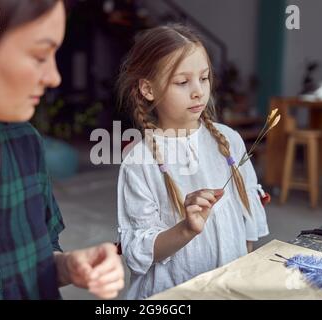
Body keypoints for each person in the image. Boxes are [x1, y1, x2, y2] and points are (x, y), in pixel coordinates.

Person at [0, 0, 123, 299]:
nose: (54, 77)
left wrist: (69, 266)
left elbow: (34, 259)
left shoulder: (24, 143)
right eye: (40, 55)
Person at [116, 24, 269, 299]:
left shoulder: (229, 141)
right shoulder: (139, 162)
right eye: (182, 82)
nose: (198, 91)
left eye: (204, 78)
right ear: (148, 89)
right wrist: (186, 229)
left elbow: (248, 223)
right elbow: (139, 253)